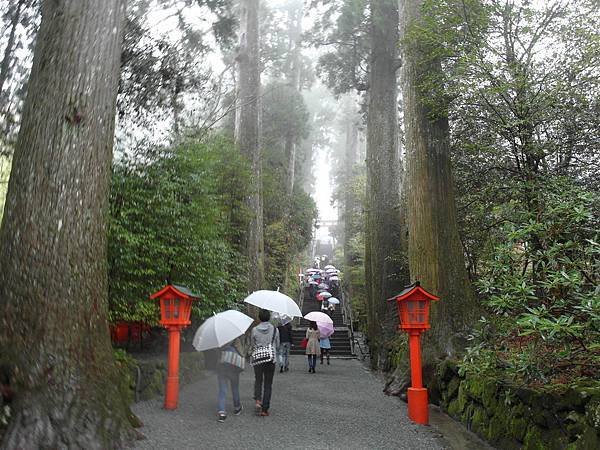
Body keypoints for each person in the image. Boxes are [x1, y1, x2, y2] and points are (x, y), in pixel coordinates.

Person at [251, 309, 280, 417]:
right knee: (268, 384)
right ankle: (265, 409)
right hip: (270, 359)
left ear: (259, 317)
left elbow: (252, 344)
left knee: (258, 380)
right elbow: (277, 345)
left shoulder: (254, 330)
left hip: (258, 358)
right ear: (269, 318)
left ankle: (258, 400)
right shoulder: (275, 330)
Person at [215, 338, 245, 423]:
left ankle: (222, 412)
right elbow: (241, 352)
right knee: (235, 388)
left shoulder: (219, 338)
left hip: (222, 365)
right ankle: (237, 408)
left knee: (222, 390)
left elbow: (217, 353)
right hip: (233, 364)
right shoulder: (235, 337)